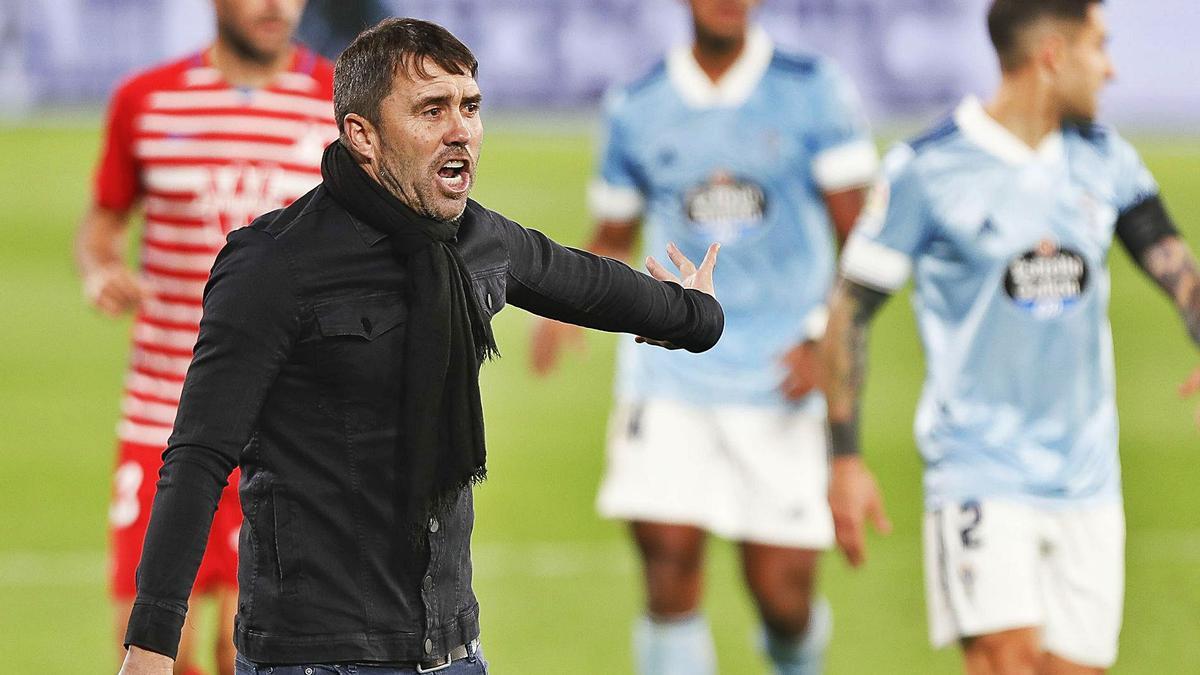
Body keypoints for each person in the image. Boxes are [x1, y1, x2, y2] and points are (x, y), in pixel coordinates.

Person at [117, 17, 725, 675]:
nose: (460, 129)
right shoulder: (273, 265)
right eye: (432, 110)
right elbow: (201, 454)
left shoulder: (474, 242)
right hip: (315, 657)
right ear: (363, 137)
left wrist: (695, 313)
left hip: (451, 651)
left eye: (469, 106)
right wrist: (150, 646)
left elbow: (587, 282)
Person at [823, 1, 1200, 672]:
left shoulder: (1105, 158)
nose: (1111, 69)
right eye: (1099, 47)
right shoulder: (928, 168)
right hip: (978, 468)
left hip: (1088, 479)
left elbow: (1175, 264)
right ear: (1053, 55)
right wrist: (845, 459)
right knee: (1007, 661)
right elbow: (849, 311)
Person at [530, 1, 877, 673]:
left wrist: (820, 337)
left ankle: (797, 652)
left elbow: (862, 243)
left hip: (779, 373)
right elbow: (613, 230)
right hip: (670, 371)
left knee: (782, 598)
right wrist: (560, 304)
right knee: (667, 570)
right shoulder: (638, 102)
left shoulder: (813, 90)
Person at [74, 1, 333, 673]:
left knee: (248, 647)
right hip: (164, 410)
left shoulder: (338, 102)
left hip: (286, 419)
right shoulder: (146, 101)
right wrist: (102, 269)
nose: (276, 6)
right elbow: (102, 221)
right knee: (154, 647)